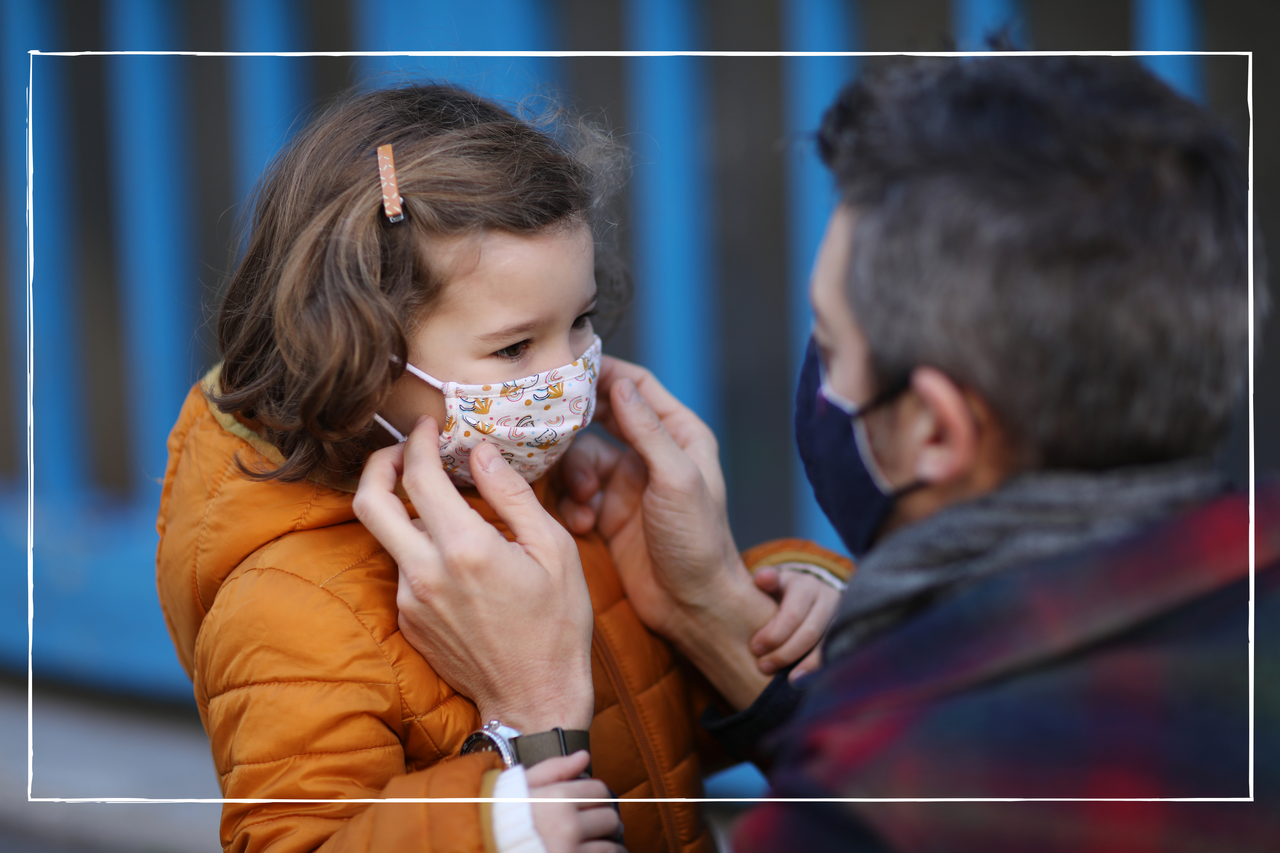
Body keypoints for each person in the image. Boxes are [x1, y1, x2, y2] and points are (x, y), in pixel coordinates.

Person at [357, 56, 1280, 851]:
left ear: (933, 429)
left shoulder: (880, 811)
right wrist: (718, 610)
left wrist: (537, 722)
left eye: (830, 349)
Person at [154, 82, 849, 853]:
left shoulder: (567, 492)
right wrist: (497, 820)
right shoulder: (287, 599)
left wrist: (756, 604)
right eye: (515, 347)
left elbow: (657, 732)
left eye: (579, 320)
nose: (569, 376)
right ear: (353, 354)